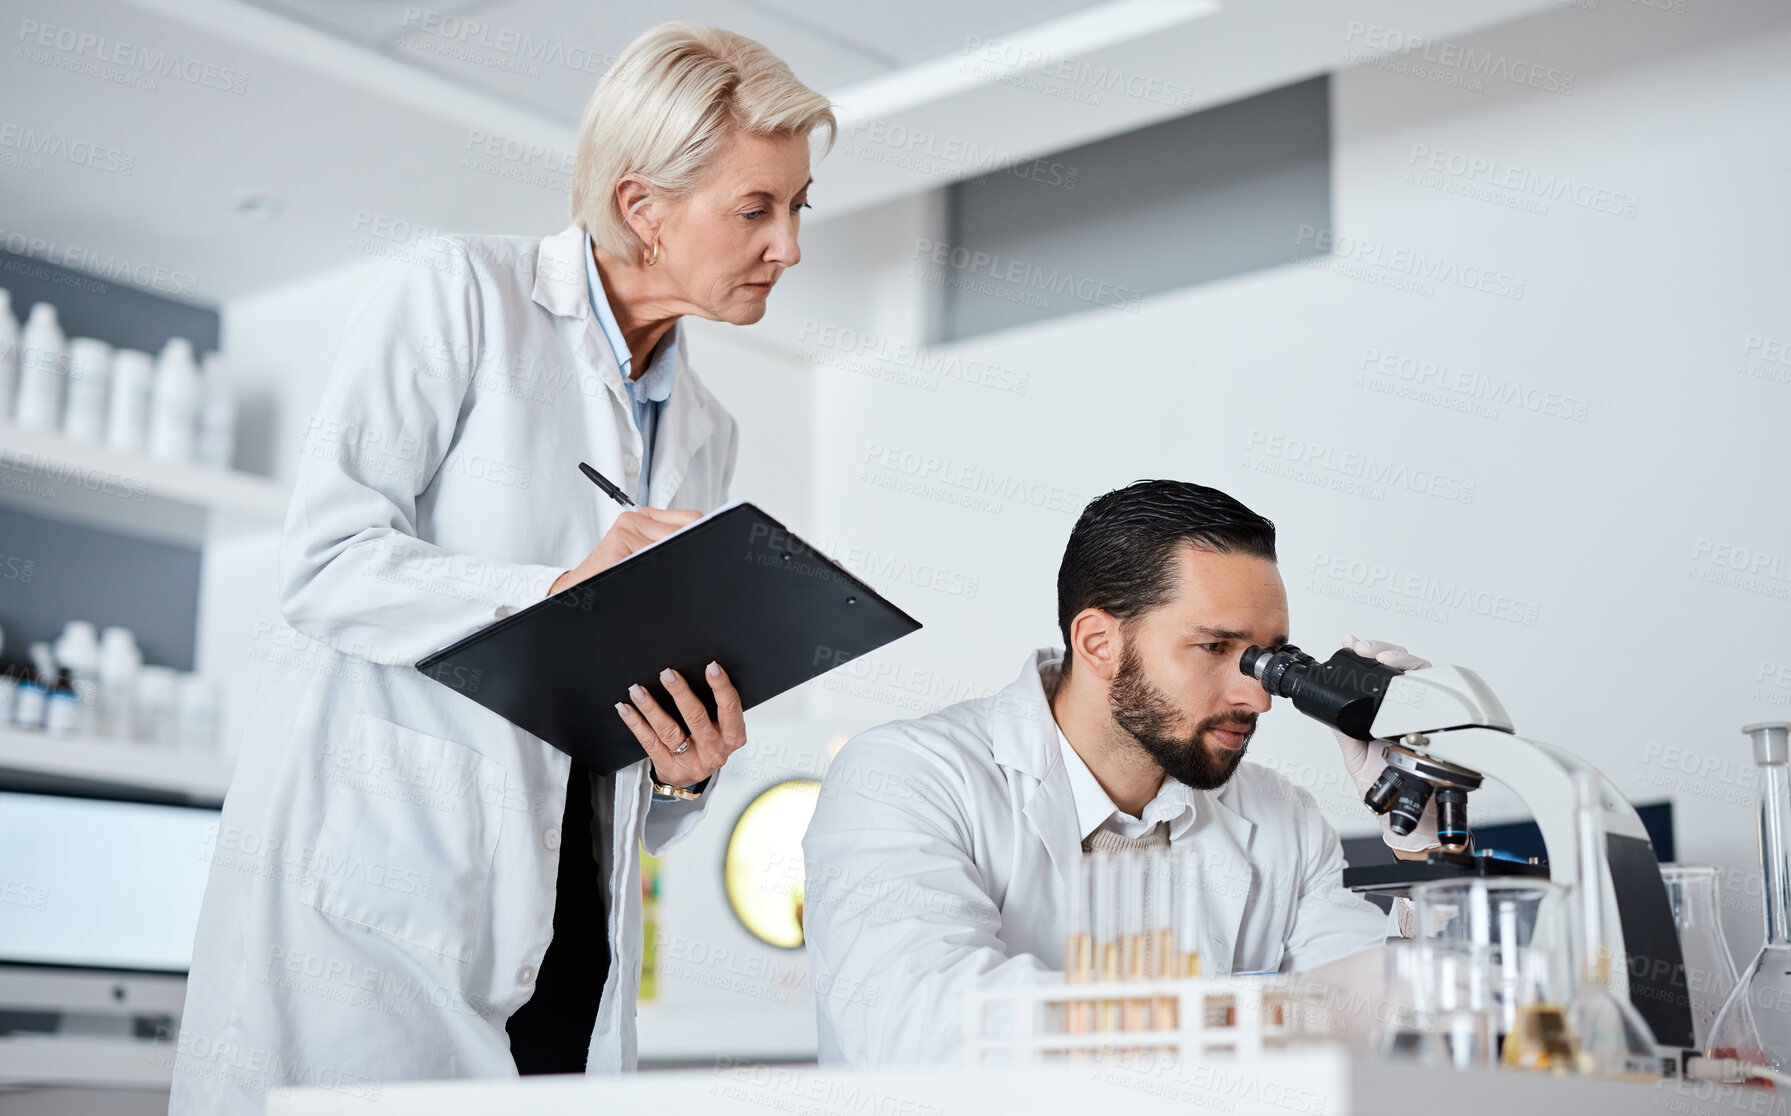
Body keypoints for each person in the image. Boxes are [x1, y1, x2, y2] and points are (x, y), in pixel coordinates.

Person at [171, 23, 834, 1113]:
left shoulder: (705, 430)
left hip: (573, 927)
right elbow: (327, 562)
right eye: (755, 209)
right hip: (379, 920)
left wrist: (686, 769)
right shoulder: (457, 297)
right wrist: (555, 595)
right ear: (642, 206)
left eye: (798, 204)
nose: (789, 245)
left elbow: (634, 768)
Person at [800, 479, 1439, 1066]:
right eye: (1216, 648)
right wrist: (1263, 1010)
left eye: (1270, 660)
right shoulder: (907, 777)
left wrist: (1423, 845)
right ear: (1099, 642)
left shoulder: (1283, 819)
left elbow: (1397, 1032)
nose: (1259, 698)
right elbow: (923, 1030)